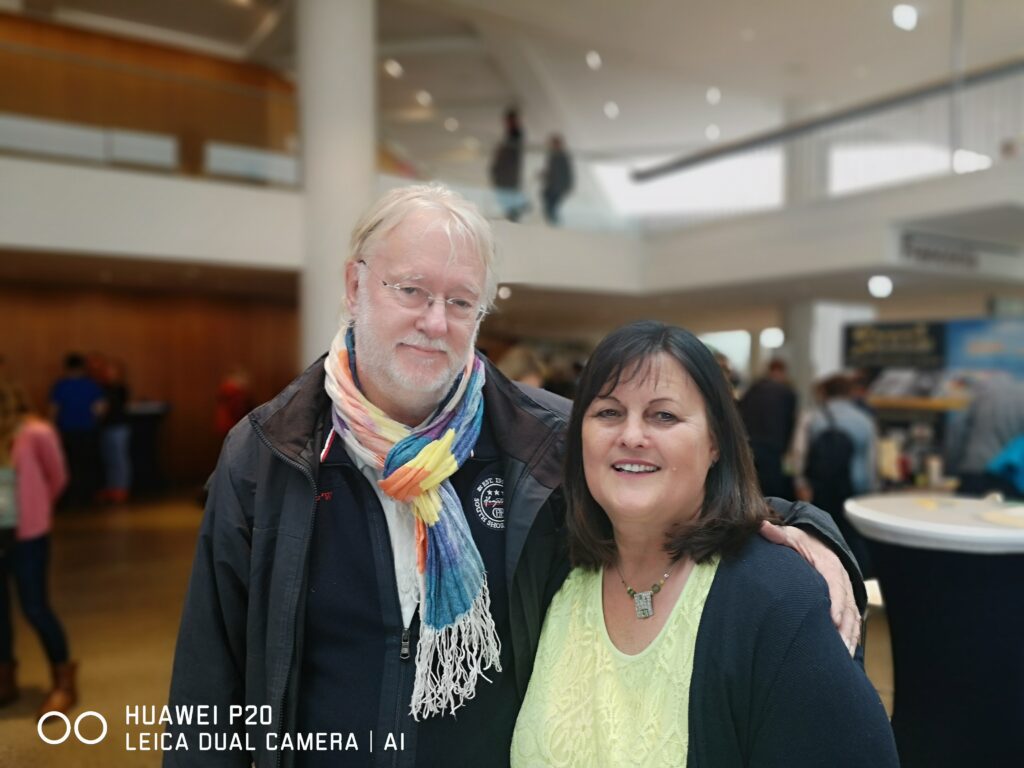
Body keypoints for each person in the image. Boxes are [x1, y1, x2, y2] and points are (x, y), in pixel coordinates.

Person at [167, 184, 863, 768]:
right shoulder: (270, 452)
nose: (435, 322)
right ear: (355, 284)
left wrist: (810, 532)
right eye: (411, 290)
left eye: (462, 301)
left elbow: (671, 487)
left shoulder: (540, 440)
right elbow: (210, 675)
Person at [511, 322, 897, 767]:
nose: (632, 435)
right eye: (609, 413)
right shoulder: (549, 567)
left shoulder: (779, 601)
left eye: (664, 416)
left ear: (715, 442)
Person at [0, 381, 77, 716]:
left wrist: (38, 508)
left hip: (27, 534)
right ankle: (5, 676)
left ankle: (63, 681)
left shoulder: (36, 433)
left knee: (34, 607)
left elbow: (58, 477)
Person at [797, 373, 878, 578]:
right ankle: (858, 580)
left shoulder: (814, 417)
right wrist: (871, 490)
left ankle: (825, 578)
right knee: (853, 537)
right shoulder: (865, 420)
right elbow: (872, 460)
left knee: (822, 535)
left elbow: (799, 452)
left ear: (825, 392)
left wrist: (800, 481)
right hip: (855, 486)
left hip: (821, 486)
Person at [49, 352, 105, 506]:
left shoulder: (60, 386)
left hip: (67, 430)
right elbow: (100, 409)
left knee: (69, 463)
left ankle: (70, 495)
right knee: (88, 462)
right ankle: (87, 494)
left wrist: (53, 428)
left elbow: (54, 410)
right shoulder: (92, 385)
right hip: (88, 429)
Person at [738, 358, 797, 498]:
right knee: (773, 488)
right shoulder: (787, 392)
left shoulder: (753, 389)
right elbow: (791, 422)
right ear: (782, 372)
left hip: (750, 443)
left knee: (752, 485)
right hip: (774, 445)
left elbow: (740, 415)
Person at [99, 358, 132, 503]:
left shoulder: (120, 388)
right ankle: (112, 487)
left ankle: (122, 488)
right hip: (106, 427)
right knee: (109, 459)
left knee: (119, 458)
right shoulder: (101, 388)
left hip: (118, 427)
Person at [490, 108, 528, 222]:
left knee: (507, 194)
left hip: (508, 172)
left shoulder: (516, 134)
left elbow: (511, 153)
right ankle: (517, 210)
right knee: (506, 195)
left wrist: (501, 151)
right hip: (507, 172)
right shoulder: (512, 134)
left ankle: (519, 208)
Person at [540, 134, 573, 225]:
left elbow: (565, 173)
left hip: (558, 187)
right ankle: (553, 222)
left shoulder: (562, 157)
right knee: (548, 204)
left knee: (551, 206)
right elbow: (550, 171)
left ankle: (554, 223)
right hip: (552, 186)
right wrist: (543, 175)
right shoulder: (553, 156)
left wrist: (566, 186)